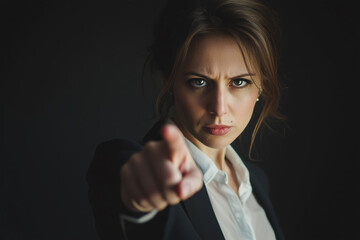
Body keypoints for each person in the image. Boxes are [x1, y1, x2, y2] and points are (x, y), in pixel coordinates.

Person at [87, 0, 285, 239]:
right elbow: (126, 188)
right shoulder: (133, 166)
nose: (219, 108)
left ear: (261, 86)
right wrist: (138, 200)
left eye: (239, 82)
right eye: (199, 82)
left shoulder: (256, 182)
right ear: (168, 82)